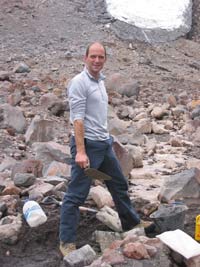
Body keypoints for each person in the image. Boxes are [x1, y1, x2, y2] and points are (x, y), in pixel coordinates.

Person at [59, 42, 143, 256]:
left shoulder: (100, 81)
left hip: (104, 144)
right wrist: (80, 151)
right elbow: (77, 119)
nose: (97, 60)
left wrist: (108, 139)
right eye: (93, 56)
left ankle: (131, 224)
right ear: (85, 58)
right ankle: (66, 242)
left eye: (101, 57)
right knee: (76, 195)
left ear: (105, 59)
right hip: (87, 146)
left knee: (118, 184)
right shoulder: (79, 82)